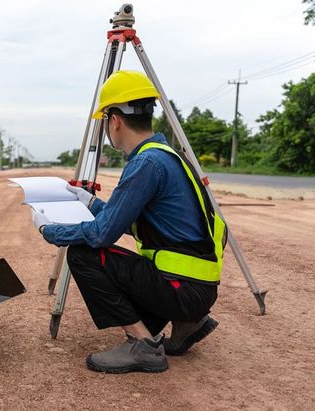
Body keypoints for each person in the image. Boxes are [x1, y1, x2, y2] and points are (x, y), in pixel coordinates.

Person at [32, 70, 226, 374]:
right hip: (197, 288)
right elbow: (127, 221)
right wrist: (91, 203)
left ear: (115, 121)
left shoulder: (145, 163)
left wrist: (50, 230)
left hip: (183, 289)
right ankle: (188, 322)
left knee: (82, 255)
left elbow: (102, 234)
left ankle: (143, 345)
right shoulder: (167, 156)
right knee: (107, 254)